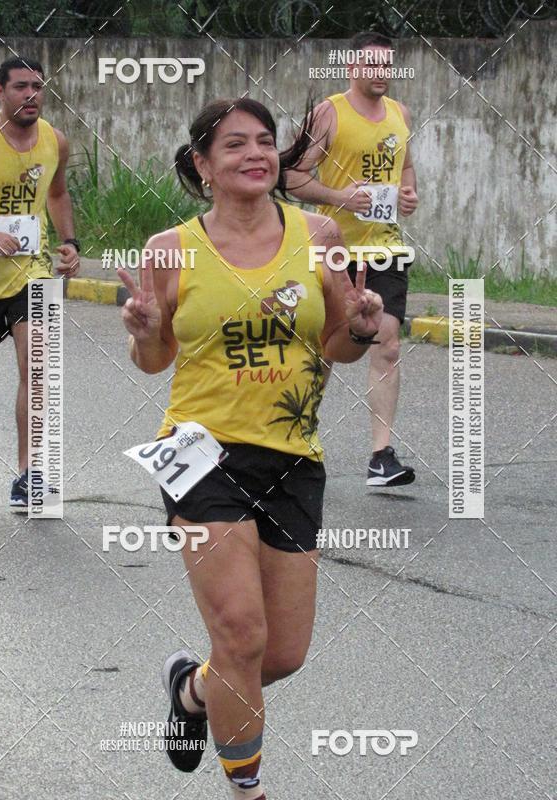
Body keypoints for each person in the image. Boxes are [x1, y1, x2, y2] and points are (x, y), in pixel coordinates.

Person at [118, 97, 383, 800]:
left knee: (280, 654)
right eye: (234, 145)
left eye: (265, 141)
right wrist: (145, 331)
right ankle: (248, 791)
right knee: (240, 631)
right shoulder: (169, 250)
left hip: (292, 455)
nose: (255, 154)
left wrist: (357, 329)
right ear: (203, 165)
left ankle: (193, 690)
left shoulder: (319, 234)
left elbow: (336, 350)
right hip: (197, 451)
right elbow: (155, 361)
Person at [287, 31, 419, 487]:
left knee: (388, 341)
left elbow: (405, 166)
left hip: (385, 249)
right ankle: (299, 438)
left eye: (387, 66)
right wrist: (340, 197)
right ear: (352, 69)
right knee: (326, 348)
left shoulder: (400, 113)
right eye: (372, 66)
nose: (381, 73)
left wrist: (408, 194)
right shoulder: (329, 113)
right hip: (335, 247)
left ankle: (381, 456)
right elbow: (292, 176)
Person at [0, 57, 80, 508]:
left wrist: (69, 241)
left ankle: (30, 474)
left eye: (37, 87)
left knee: (38, 367)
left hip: (32, 271)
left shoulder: (55, 140)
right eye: (20, 87)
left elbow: (58, 192)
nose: (31, 95)